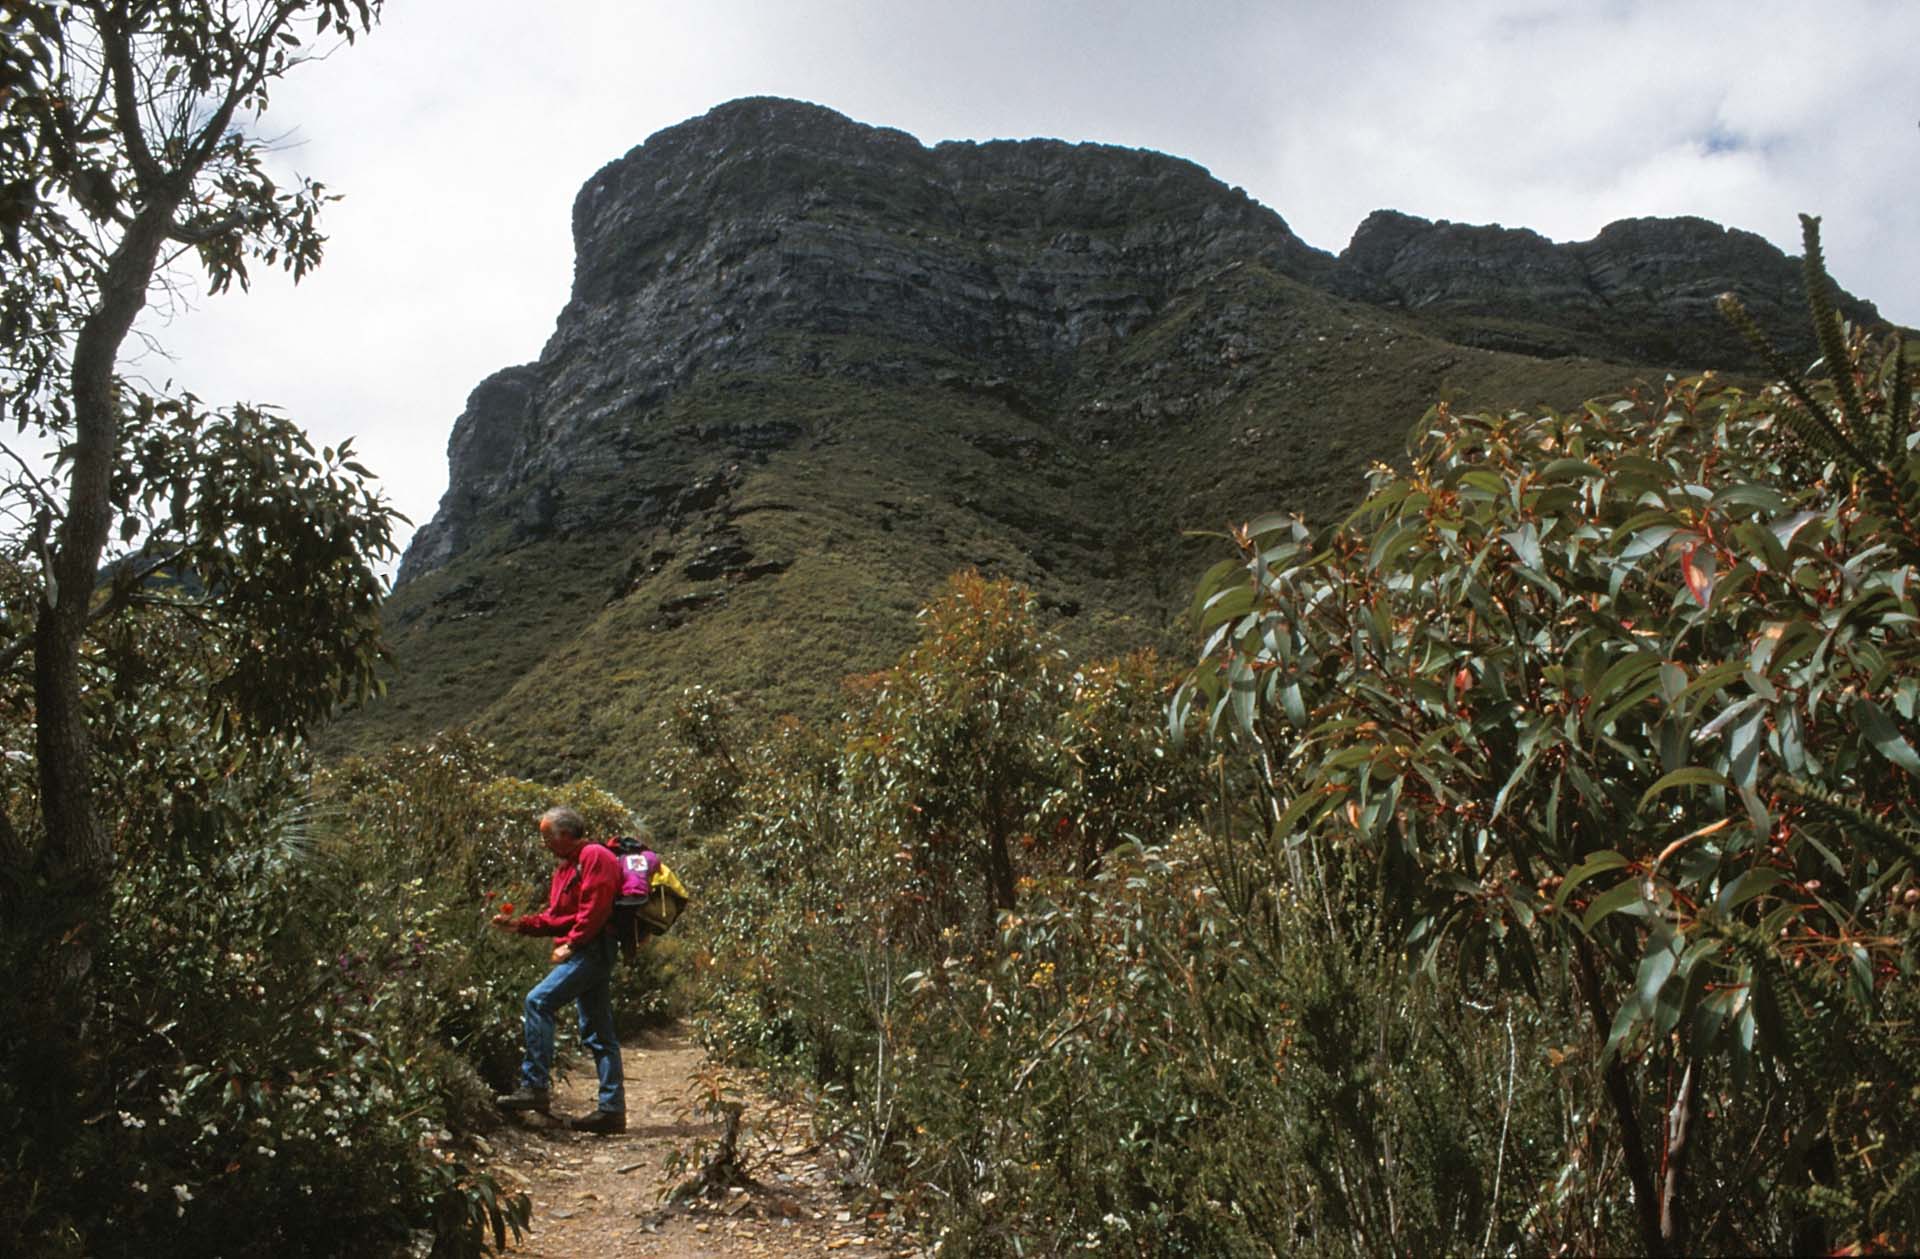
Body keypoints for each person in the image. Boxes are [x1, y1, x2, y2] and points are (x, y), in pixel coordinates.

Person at [491, 805, 627, 1134]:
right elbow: (558, 917)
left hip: (593, 950)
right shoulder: (566, 869)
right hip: (587, 950)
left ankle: (535, 1087)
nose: (545, 843)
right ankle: (612, 1111)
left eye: (547, 837)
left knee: (538, 1001)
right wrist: (519, 925)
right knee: (599, 1031)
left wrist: (573, 944)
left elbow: (596, 907)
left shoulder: (596, 856)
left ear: (565, 834)